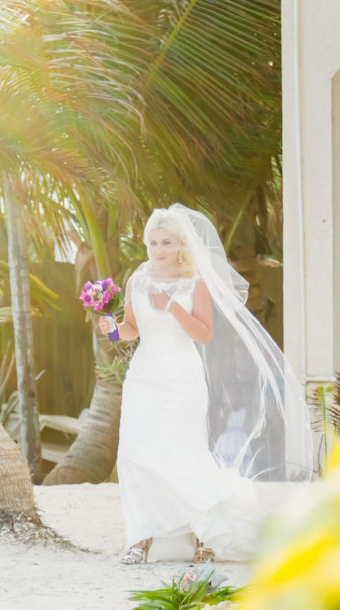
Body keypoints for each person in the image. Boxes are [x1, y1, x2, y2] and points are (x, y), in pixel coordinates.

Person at [99, 204, 314, 565]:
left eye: (166, 242)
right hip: (143, 378)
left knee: (184, 454)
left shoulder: (194, 283)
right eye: (152, 242)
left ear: (182, 245)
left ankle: (207, 537)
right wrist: (114, 330)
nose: (158, 250)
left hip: (181, 378)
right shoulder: (137, 280)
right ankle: (140, 538)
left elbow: (204, 333)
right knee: (137, 455)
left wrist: (172, 307)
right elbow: (133, 327)